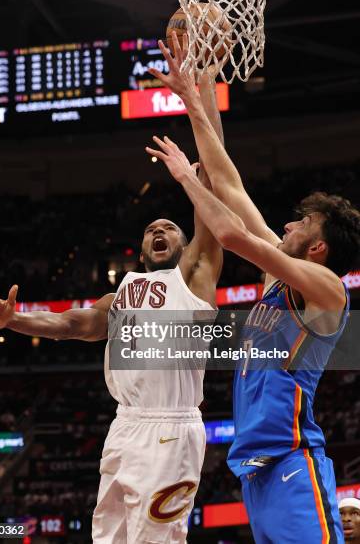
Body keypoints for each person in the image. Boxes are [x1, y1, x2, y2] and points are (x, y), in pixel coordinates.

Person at [0, 78, 223, 544]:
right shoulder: (121, 293)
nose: (160, 231)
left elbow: (217, 187)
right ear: (140, 247)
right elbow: (69, 324)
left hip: (170, 424)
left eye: (169, 227)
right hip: (124, 425)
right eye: (151, 229)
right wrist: (14, 320)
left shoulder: (195, 277)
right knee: (109, 539)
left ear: (186, 245)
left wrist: (200, 95)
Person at [147, 31, 360, 543]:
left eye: (300, 224)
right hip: (256, 471)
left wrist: (184, 177)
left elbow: (229, 233)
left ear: (319, 248)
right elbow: (230, 184)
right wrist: (195, 98)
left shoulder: (326, 291)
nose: (287, 226)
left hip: (293, 462)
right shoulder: (278, 277)